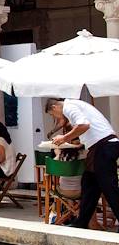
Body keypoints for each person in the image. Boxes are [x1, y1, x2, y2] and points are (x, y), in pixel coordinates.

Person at [47, 98, 119, 230]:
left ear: (54, 107)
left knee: (109, 187)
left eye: (52, 115)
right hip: (99, 147)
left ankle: (81, 222)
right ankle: (81, 223)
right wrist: (53, 132)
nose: (54, 117)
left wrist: (64, 138)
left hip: (103, 147)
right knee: (89, 185)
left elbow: (84, 125)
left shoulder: (69, 107)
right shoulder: (75, 106)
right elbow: (64, 122)